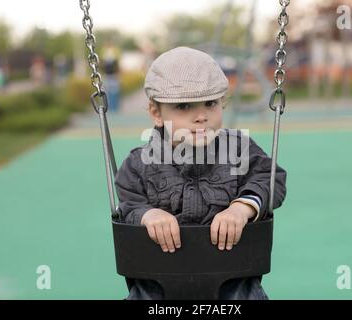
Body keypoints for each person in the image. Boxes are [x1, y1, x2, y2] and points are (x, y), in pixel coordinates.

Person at [114, 47, 287, 300]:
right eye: (184, 106)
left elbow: (271, 179)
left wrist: (242, 207)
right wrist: (148, 214)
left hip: (233, 282)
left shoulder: (239, 149)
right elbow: (128, 203)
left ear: (222, 103)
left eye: (210, 103)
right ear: (156, 113)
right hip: (157, 285)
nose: (201, 117)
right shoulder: (138, 163)